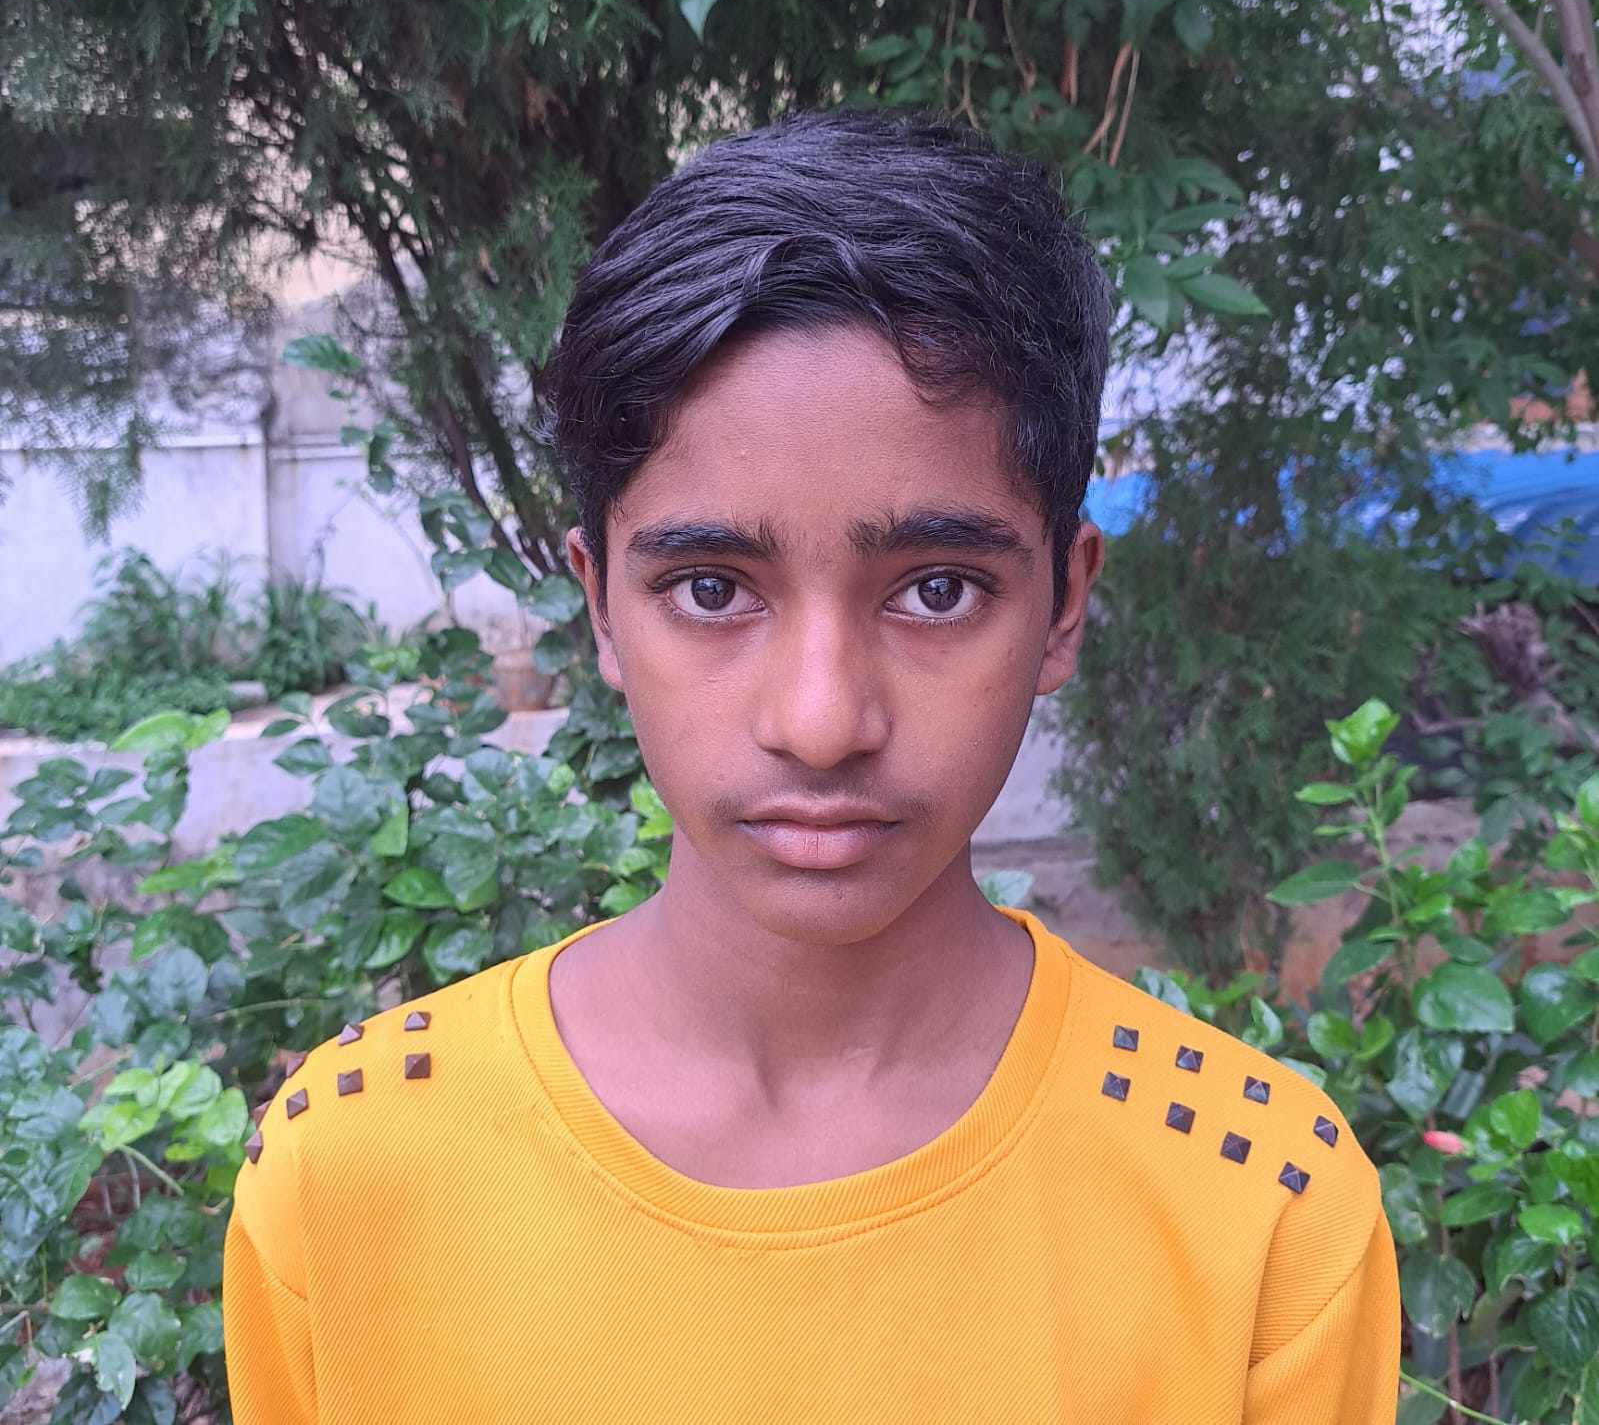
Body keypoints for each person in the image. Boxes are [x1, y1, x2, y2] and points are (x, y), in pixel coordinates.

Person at [222, 111, 1399, 1424]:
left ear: (1064, 605)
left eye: (937, 589)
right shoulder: (352, 1174)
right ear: (601, 607)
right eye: (711, 588)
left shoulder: (1255, 1205)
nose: (824, 721)